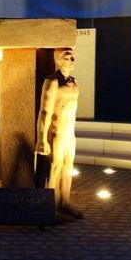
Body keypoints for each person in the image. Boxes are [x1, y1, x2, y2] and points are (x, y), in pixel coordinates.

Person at [35, 48, 83, 221]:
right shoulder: (52, 81)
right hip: (56, 132)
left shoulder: (73, 81)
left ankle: (64, 202)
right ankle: (48, 208)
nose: (72, 58)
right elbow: (44, 111)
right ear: (58, 60)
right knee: (54, 168)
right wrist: (41, 139)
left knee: (68, 167)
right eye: (67, 56)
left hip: (70, 132)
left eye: (72, 55)